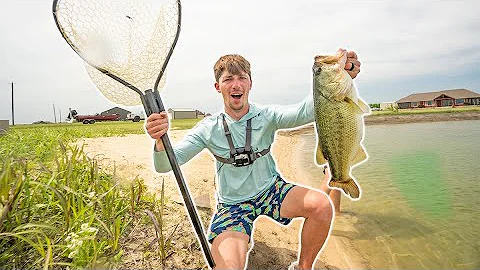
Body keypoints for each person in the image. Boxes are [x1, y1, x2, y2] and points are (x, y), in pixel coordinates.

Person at [145, 49, 361, 270]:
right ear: (218, 87)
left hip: (270, 190)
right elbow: (164, 165)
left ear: (250, 84)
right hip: (232, 206)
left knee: (322, 206)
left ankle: (303, 267)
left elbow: (303, 112)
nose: (236, 84)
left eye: (242, 78)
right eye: (228, 79)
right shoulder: (207, 129)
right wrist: (160, 140)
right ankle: (239, 237)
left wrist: (337, 77)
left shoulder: (267, 116)